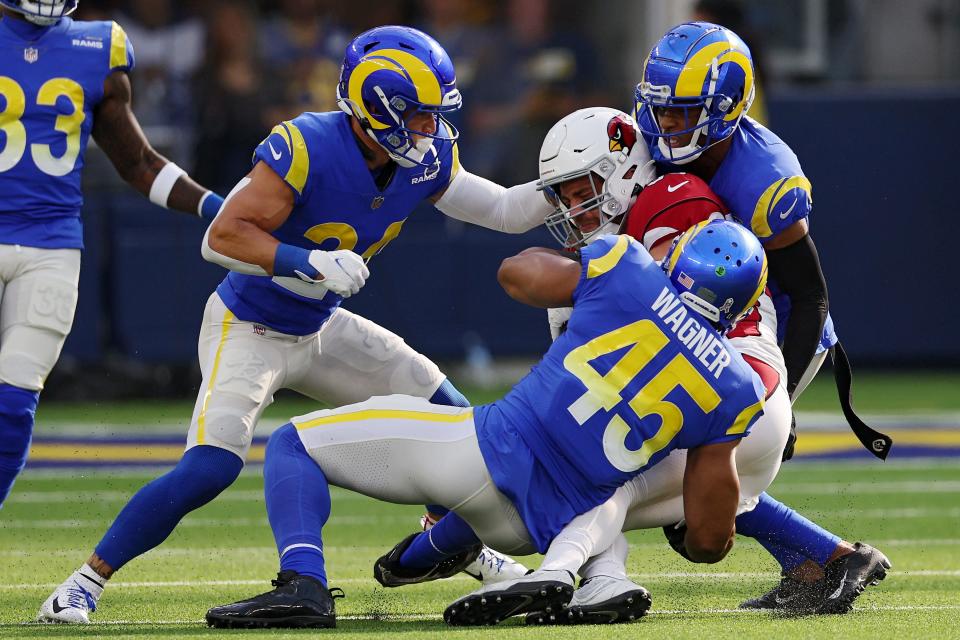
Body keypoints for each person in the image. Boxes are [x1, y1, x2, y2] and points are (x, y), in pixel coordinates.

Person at [37, 24, 556, 624]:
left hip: (319, 325)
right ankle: (84, 582)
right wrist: (304, 258)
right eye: (417, 116)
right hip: (249, 325)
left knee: (457, 422)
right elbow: (221, 237)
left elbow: (502, 210)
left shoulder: (424, 157)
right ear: (376, 107)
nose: (430, 130)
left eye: (435, 116)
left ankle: (454, 544)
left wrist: (576, 180)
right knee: (211, 467)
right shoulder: (307, 145)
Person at [389, 107, 887, 620]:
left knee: (586, 474)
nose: (573, 210)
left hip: (730, 379)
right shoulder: (611, 250)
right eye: (564, 196)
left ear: (623, 169)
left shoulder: (667, 204)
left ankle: (568, 574)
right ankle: (827, 559)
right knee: (606, 472)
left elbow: (689, 322)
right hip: (722, 390)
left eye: (584, 191)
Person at [202, 217, 769, 628]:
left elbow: (515, 274)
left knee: (294, 443)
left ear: (681, 260)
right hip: (536, 529)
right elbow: (708, 537)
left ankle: (303, 581)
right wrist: (701, 545)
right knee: (608, 498)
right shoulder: (737, 389)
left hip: (480, 452)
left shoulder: (631, 269)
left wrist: (590, 265)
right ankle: (443, 565)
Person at [633, 22, 893, 608]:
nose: (664, 126)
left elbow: (809, 295)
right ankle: (825, 562)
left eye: (682, 113)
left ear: (724, 107)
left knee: (695, 480)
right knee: (686, 483)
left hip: (763, 330)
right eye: (661, 110)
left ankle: (830, 559)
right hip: (693, 318)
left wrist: (778, 402)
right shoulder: (649, 129)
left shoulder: (765, 178)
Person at [0, 0, 223, 513]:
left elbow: (139, 161)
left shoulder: (96, 45)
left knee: (14, 405)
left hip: (51, 247)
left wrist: (217, 206)